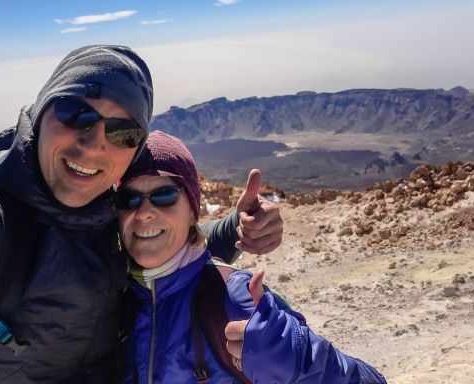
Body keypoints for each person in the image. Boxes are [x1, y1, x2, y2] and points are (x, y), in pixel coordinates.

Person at [0, 45, 283, 383]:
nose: (93, 145)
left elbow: (162, 250)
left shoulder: (110, 215)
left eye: (122, 133)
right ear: (40, 115)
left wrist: (236, 228)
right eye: (76, 114)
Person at [116, 131, 387, 383]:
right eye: (129, 199)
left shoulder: (235, 298)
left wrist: (301, 362)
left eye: (164, 195)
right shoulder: (112, 296)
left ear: (192, 212)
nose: (144, 213)